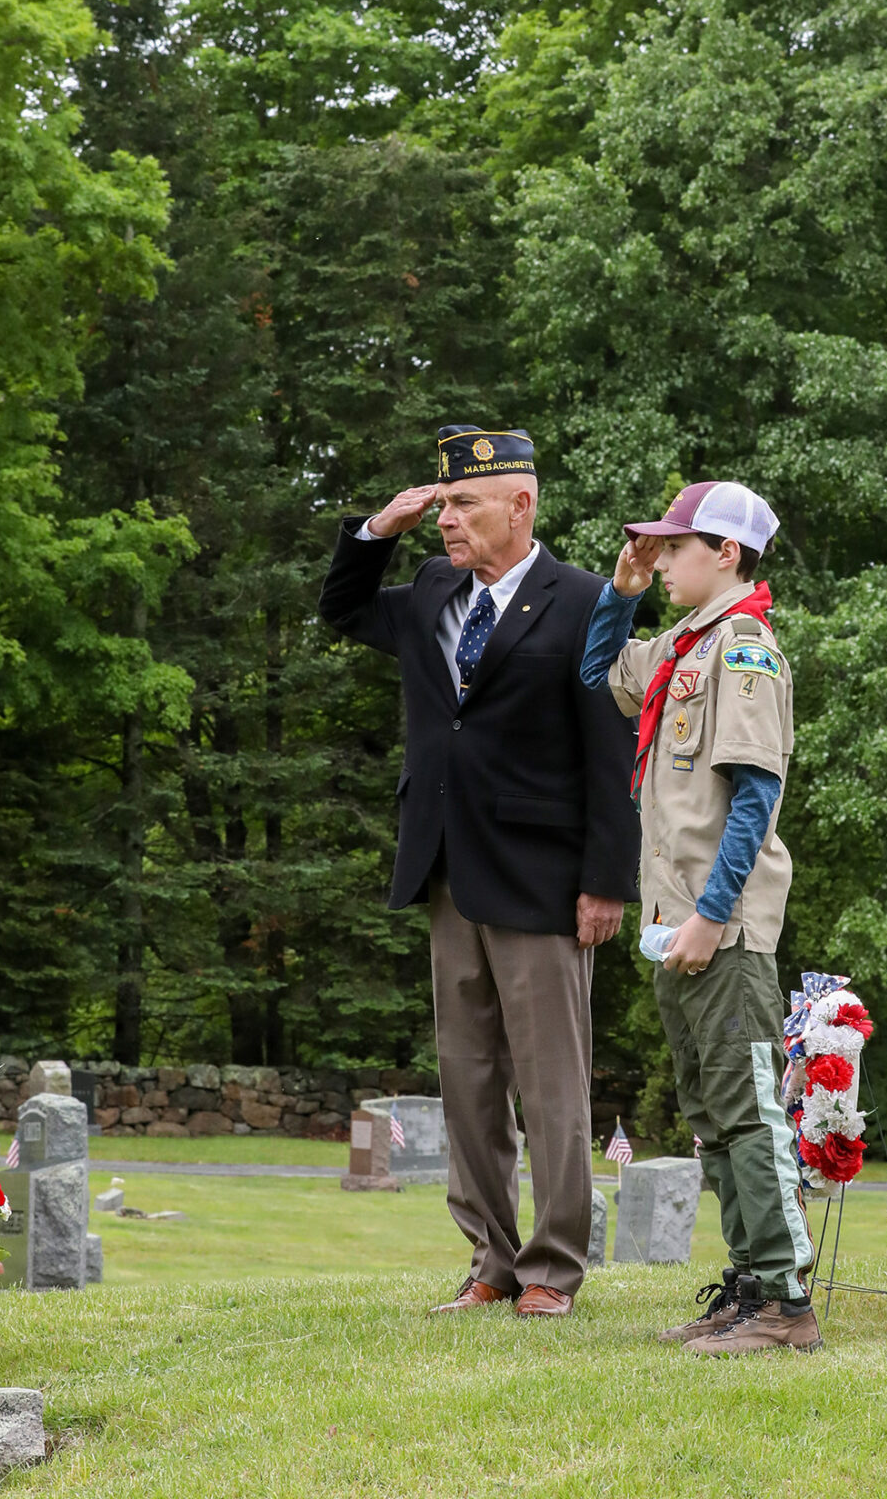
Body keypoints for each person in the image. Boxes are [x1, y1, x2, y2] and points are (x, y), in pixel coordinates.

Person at [318, 425, 638, 1317]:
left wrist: (607, 878)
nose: (446, 520)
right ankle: (492, 1261)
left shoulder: (584, 602)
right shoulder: (427, 589)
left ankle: (552, 1268)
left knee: (550, 1085)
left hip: (543, 877)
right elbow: (342, 609)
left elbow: (611, 751)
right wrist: (378, 527)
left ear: (520, 504)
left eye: (463, 504)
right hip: (447, 868)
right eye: (442, 502)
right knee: (467, 1080)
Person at [580, 479, 818, 1356]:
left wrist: (713, 915)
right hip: (674, 917)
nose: (662, 556)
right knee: (712, 1113)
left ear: (726, 553)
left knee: (747, 1111)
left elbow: (757, 793)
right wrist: (623, 592)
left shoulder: (743, 647)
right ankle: (748, 1288)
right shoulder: (682, 646)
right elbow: (595, 672)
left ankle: (786, 1307)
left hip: (721, 926)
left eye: (675, 546)